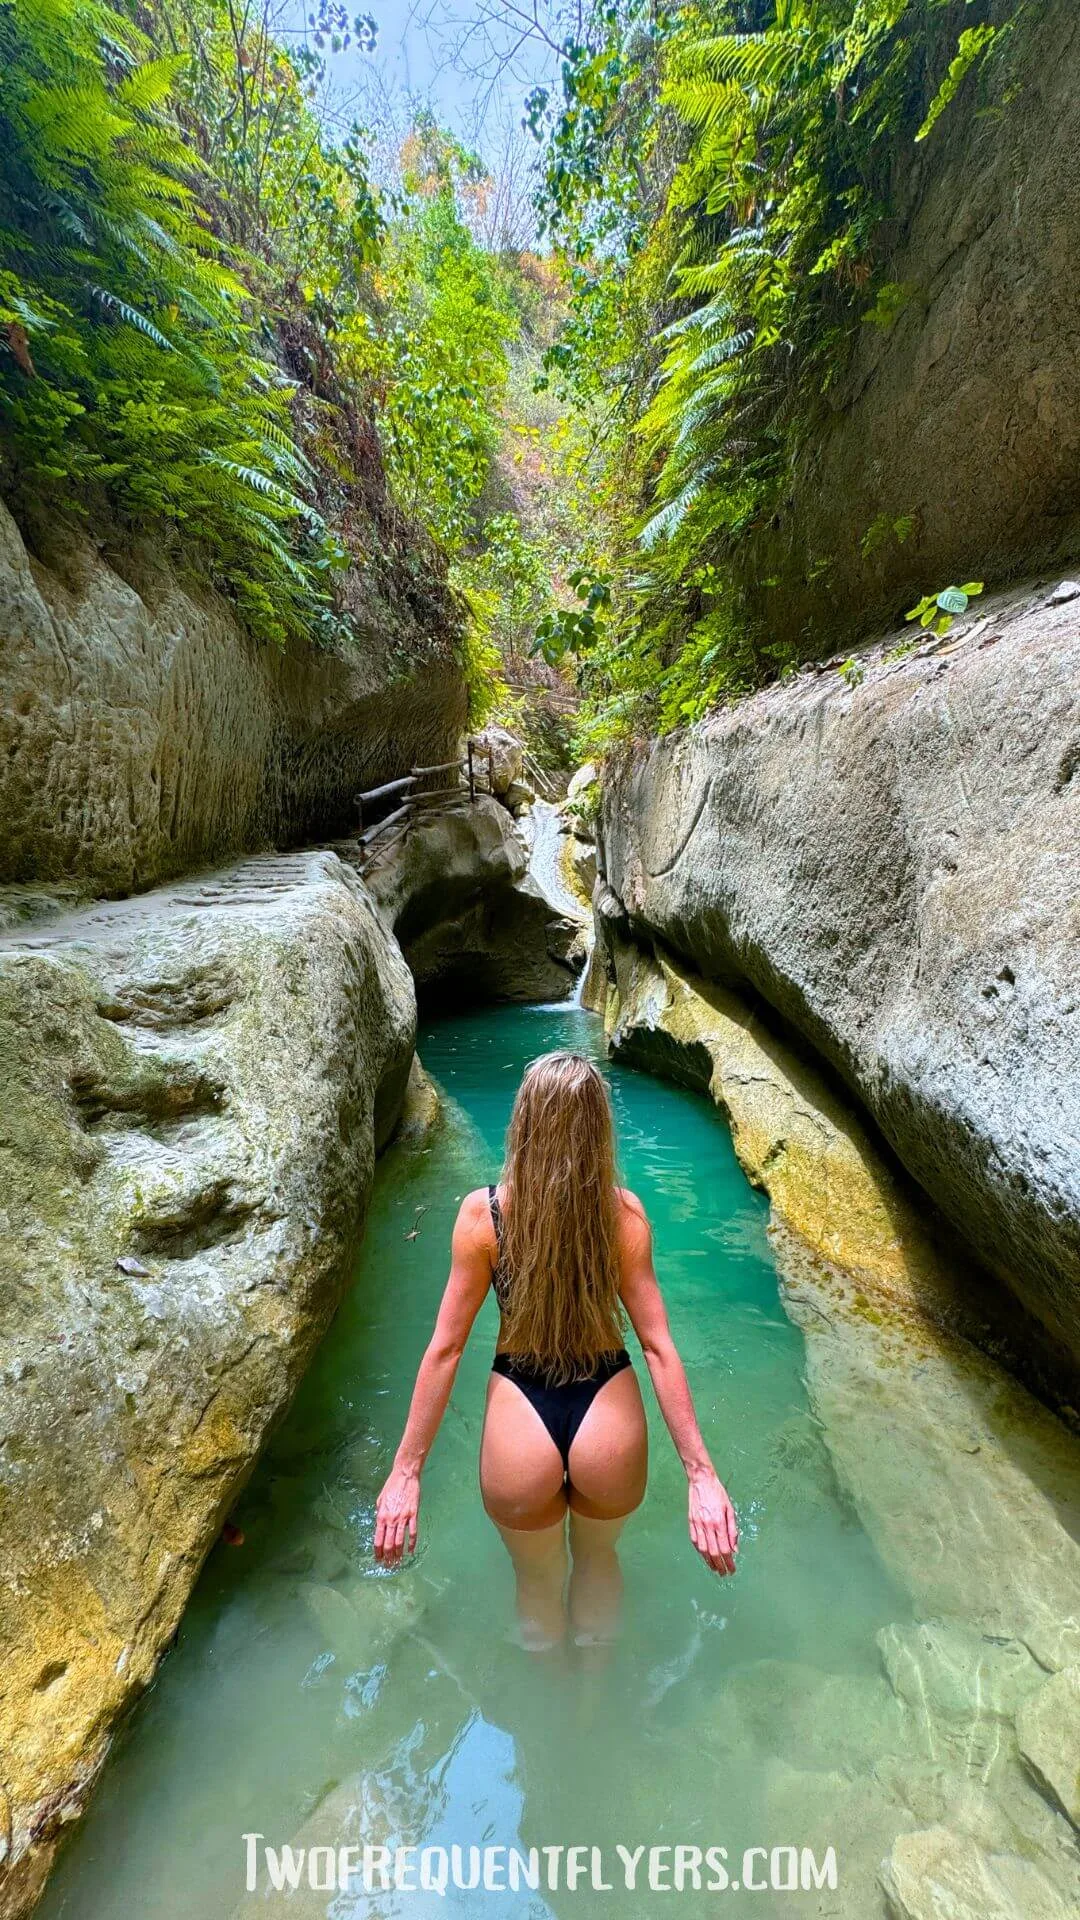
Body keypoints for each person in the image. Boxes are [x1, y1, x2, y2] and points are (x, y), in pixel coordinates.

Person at [374, 1050, 738, 1650]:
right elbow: (657, 1346)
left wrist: (405, 1472)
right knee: (599, 1561)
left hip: (520, 1416)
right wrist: (702, 1477)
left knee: (536, 1582)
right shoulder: (623, 1216)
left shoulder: (483, 1215)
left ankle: (548, 1704)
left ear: (523, 1122)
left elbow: (446, 1349)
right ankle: (593, 1700)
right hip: (608, 1414)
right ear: (599, 1129)